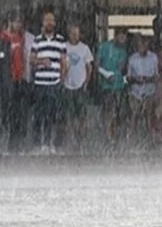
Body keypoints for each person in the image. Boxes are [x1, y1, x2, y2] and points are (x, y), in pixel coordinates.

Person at [30, 10, 68, 154]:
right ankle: (39, 145)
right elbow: (31, 60)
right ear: (43, 22)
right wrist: (41, 61)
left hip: (54, 84)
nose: (49, 23)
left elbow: (64, 61)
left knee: (54, 116)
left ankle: (55, 145)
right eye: (46, 20)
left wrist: (62, 80)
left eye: (51, 20)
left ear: (55, 23)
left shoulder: (61, 40)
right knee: (39, 116)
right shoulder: (37, 40)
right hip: (40, 84)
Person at [63, 23, 94, 152]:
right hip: (67, 86)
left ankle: (82, 143)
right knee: (68, 116)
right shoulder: (64, 47)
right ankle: (70, 143)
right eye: (72, 33)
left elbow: (89, 67)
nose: (74, 36)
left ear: (79, 34)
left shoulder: (85, 48)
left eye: (76, 33)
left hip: (81, 86)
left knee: (81, 117)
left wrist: (86, 82)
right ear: (68, 34)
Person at [97, 27, 129, 148]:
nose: (123, 40)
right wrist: (105, 74)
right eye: (121, 37)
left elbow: (121, 69)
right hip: (106, 87)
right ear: (115, 36)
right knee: (108, 113)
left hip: (119, 87)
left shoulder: (124, 51)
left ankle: (116, 138)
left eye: (124, 38)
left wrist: (125, 80)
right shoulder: (104, 47)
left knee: (118, 114)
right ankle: (108, 138)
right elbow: (96, 65)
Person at [2, 12, 29, 153]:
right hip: (6, 82)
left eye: (20, 22)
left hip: (18, 81)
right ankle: (5, 145)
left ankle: (15, 145)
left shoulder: (20, 38)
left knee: (17, 114)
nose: (19, 25)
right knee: (6, 114)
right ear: (10, 22)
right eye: (16, 22)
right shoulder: (3, 38)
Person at [127, 35, 159, 149]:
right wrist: (136, 79)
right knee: (133, 117)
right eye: (140, 45)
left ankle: (152, 143)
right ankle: (131, 142)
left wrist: (147, 79)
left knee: (149, 117)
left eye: (144, 45)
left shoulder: (154, 57)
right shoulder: (132, 58)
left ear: (148, 45)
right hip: (136, 92)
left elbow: (157, 76)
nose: (142, 47)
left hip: (149, 91)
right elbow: (128, 78)